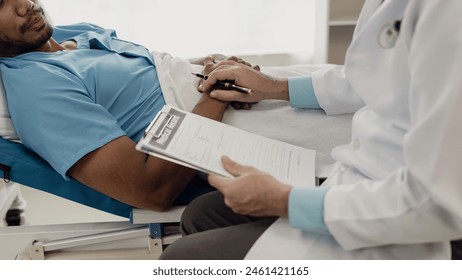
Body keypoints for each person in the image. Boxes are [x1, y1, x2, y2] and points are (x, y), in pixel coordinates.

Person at [160, 0, 462, 259]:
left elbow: (437, 202)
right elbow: (373, 77)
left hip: (415, 221)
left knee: (180, 259)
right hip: (366, 176)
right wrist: (275, 88)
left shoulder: (448, 15)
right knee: (201, 214)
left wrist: (285, 201)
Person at [0, 0, 254, 212]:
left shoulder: (72, 34)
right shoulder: (38, 89)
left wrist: (207, 66)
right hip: (234, 128)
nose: (26, 5)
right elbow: (151, 190)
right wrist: (218, 94)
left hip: (240, 96)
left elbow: (149, 78)